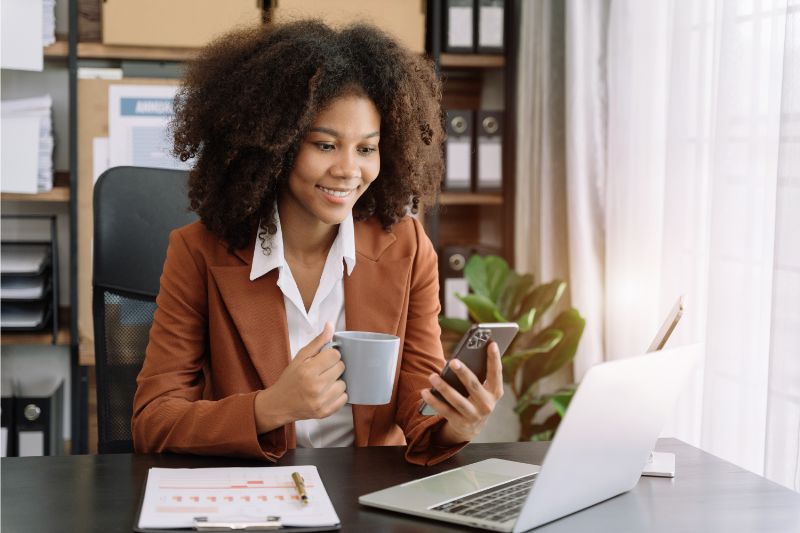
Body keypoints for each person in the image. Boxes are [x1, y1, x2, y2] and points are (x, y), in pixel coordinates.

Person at [132, 20, 504, 466]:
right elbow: (153, 420)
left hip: (365, 498)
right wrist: (271, 407)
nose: (349, 170)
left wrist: (455, 423)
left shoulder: (406, 248)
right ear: (276, 146)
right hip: (257, 495)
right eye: (325, 145)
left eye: (366, 149)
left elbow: (417, 397)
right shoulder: (198, 252)